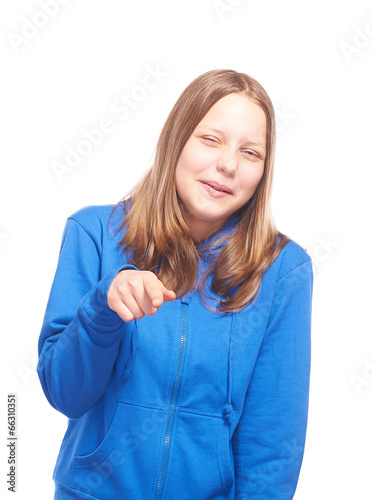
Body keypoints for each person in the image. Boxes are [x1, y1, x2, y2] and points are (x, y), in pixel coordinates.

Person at [37, 69, 313, 500]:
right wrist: (102, 309)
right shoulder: (93, 233)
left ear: (263, 170)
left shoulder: (283, 270)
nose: (227, 164)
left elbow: (273, 444)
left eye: (250, 152)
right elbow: (64, 393)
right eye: (211, 139)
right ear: (176, 139)